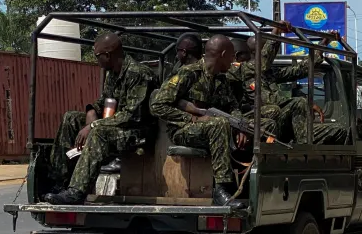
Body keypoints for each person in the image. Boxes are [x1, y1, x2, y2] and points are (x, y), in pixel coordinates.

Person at [44, 33, 155, 205]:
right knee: (71, 118)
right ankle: (59, 182)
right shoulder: (112, 74)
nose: (97, 60)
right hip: (116, 126)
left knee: (99, 133)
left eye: (97, 56)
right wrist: (91, 111)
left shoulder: (139, 74)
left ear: (108, 55)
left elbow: (132, 115)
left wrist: (94, 125)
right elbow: (104, 102)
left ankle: (76, 192)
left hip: (138, 133)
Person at [150, 35, 248, 209]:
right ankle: (221, 189)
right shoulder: (189, 73)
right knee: (219, 124)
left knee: (226, 124)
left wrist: (239, 125)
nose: (233, 61)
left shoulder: (220, 79)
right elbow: (157, 105)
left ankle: (238, 184)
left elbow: (233, 106)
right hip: (182, 130)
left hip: (207, 128)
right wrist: (192, 117)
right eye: (232, 56)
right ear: (223, 54)